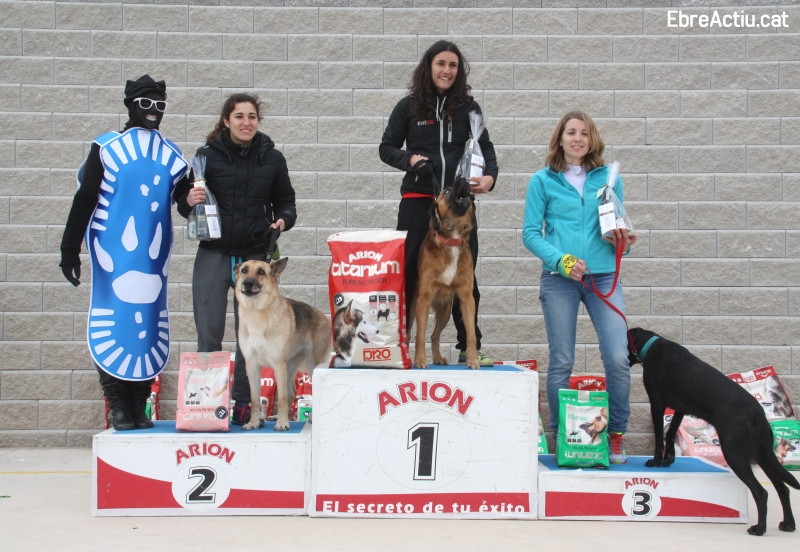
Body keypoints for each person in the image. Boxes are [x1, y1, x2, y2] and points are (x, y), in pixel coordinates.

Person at [60, 75, 190, 430]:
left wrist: (192, 203)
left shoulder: (172, 154)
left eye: (159, 105)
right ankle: (118, 402)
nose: (153, 112)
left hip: (152, 257)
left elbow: (184, 199)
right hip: (113, 253)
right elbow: (85, 197)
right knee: (116, 319)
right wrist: (70, 248)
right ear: (131, 104)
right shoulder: (106, 147)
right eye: (146, 104)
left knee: (148, 324)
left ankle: (138, 403)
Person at [174, 93, 297, 425]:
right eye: (239, 116)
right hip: (214, 252)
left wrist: (283, 219)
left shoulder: (272, 158)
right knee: (209, 332)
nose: (246, 122)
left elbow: (286, 201)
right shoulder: (205, 157)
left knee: (251, 336)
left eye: (252, 117)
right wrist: (188, 200)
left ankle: (244, 404)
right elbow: (183, 205)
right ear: (226, 121)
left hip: (254, 255)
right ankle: (207, 407)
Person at [521, 111, 637, 464]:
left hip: (602, 276)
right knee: (562, 361)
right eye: (571, 132)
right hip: (560, 280)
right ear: (560, 139)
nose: (577, 138)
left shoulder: (608, 178)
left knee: (618, 356)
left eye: (584, 133)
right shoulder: (542, 181)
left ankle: (615, 434)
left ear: (592, 139)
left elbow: (615, 226)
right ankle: (562, 438)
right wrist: (562, 261)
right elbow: (530, 234)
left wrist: (625, 241)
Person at [379, 40, 499, 366]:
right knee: (409, 275)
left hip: (459, 205)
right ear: (429, 67)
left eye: (453, 65)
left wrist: (490, 177)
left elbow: (485, 147)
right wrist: (410, 158)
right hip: (418, 201)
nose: (446, 70)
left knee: (466, 278)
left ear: (459, 71)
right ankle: (400, 343)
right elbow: (386, 147)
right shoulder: (409, 106)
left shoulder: (469, 109)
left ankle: (467, 346)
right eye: (440, 64)